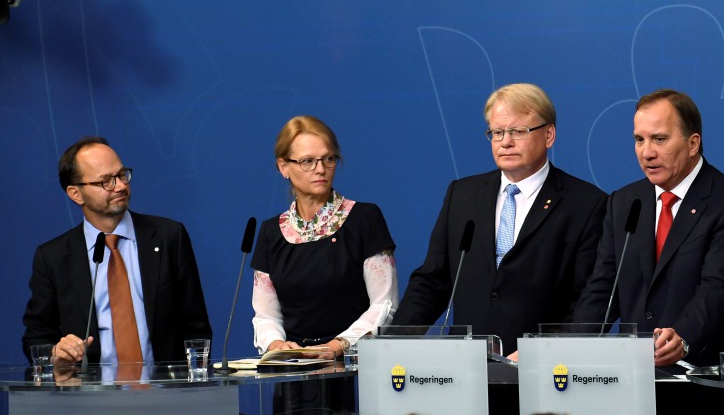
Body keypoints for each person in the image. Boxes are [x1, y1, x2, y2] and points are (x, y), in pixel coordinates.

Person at [393, 83, 607, 357]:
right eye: (497, 132)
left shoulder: (586, 204)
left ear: (549, 135)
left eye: (518, 131)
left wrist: (539, 352)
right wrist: (394, 342)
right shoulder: (463, 195)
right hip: (465, 369)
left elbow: (586, 302)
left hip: (545, 373)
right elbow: (433, 280)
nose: (506, 141)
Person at [573, 89, 724, 369]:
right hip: (635, 375)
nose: (647, 152)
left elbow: (719, 288)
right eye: (639, 140)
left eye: (659, 139)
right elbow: (603, 288)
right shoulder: (624, 202)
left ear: (693, 143)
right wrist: (565, 348)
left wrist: (683, 338)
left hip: (704, 374)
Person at [22, 137, 212, 368]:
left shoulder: (169, 237)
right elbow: (37, 337)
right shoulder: (53, 257)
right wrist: (56, 353)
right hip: (91, 396)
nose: (121, 186)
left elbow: (196, 328)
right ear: (76, 194)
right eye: (106, 181)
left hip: (165, 393)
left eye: (122, 175)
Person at [251, 116, 398, 412]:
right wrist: (276, 347)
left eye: (328, 159)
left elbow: (384, 304)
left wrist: (337, 346)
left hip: (354, 370)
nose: (320, 169)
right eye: (307, 161)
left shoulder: (364, 219)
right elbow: (265, 315)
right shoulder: (271, 232)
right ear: (284, 167)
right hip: (294, 376)